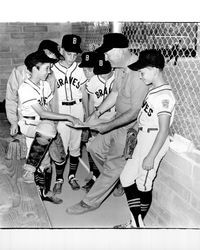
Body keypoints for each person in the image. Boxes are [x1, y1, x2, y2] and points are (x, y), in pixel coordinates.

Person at [66, 33, 149, 214]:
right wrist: (96, 114)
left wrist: (106, 126)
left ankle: (90, 202)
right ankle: (117, 179)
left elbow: (134, 112)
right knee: (94, 147)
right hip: (116, 120)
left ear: (119, 50)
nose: (105, 57)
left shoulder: (139, 72)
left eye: (108, 53)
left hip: (130, 127)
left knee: (113, 164)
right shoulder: (119, 67)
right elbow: (114, 94)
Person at [114, 49, 176, 228]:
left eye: (142, 72)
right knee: (126, 178)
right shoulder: (153, 90)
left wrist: (151, 156)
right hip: (143, 136)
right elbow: (144, 115)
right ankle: (137, 223)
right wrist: (134, 129)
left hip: (154, 141)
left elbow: (163, 130)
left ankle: (137, 227)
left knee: (143, 184)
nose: (140, 76)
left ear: (154, 70)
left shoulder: (164, 96)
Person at [18, 50, 81, 203]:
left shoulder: (44, 84)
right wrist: (67, 116)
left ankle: (46, 191)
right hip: (31, 126)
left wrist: (55, 125)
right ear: (35, 69)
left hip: (46, 127)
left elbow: (48, 109)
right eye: (46, 68)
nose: (49, 71)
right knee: (42, 162)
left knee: (58, 159)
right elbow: (42, 113)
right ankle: (30, 170)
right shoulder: (25, 88)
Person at [51, 34, 87, 192]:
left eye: (75, 54)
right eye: (69, 53)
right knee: (60, 147)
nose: (72, 57)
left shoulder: (80, 69)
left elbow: (85, 93)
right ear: (61, 50)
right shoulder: (52, 69)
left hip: (78, 109)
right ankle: (59, 179)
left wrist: (86, 115)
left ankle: (71, 176)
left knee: (75, 146)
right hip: (61, 110)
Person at [6, 39, 64, 136]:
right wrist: (13, 122)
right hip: (25, 121)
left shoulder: (50, 74)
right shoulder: (19, 72)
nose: (55, 62)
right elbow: (11, 99)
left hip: (45, 123)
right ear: (46, 52)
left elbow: (52, 102)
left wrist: (54, 122)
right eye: (54, 56)